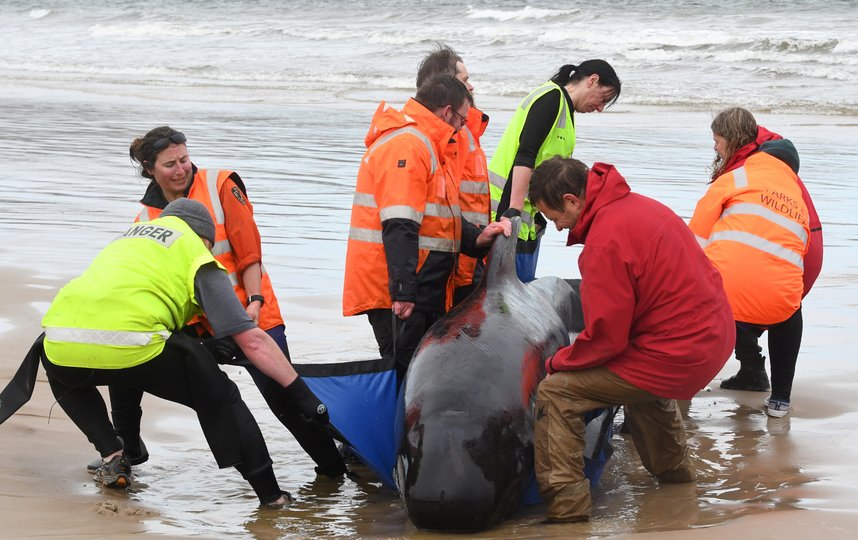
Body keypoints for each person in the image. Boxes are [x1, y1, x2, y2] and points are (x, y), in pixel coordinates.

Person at [92, 127, 346, 477]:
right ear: (150, 169)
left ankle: (333, 467)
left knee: (284, 397)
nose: (181, 169)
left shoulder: (221, 184)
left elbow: (248, 248)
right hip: (196, 328)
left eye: (184, 159)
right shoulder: (145, 218)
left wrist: (255, 300)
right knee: (128, 368)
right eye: (170, 165)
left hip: (250, 311)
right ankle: (126, 451)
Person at [40, 199, 329, 506]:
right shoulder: (196, 253)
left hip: (57, 340)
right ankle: (271, 496)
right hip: (134, 344)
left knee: (97, 363)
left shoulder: (127, 238)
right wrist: (302, 394)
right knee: (221, 394)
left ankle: (113, 453)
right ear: (206, 239)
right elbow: (252, 340)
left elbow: (125, 311)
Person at [528, 157, 735, 523]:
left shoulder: (604, 244)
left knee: (557, 393)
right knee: (634, 378)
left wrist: (557, 363)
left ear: (573, 200)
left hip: (678, 351)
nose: (558, 228)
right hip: (713, 338)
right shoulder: (641, 206)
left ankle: (567, 509)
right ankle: (676, 477)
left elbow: (606, 340)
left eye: (554, 216)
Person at [342, 76, 511, 384]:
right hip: (398, 289)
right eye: (462, 119)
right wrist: (403, 291)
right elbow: (400, 222)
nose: (462, 128)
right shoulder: (407, 145)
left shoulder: (428, 145)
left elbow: (437, 219)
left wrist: (477, 238)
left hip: (419, 284)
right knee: (405, 376)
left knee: (419, 375)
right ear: (447, 112)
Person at [690, 107, 817, 417]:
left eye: (717, 140)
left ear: (731, 141)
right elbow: (807, 244)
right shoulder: (794, 190)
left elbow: (694, 240)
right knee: (788, 304)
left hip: (726, 304)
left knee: (715, 285)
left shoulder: (735, 177)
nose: (715, 147)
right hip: (779, 301)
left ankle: (685, 385)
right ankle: (780, 399)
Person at [489, 60, 621, 282]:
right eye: (603, 99)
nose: (600, 108)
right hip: (505, 212)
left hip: (526, 216)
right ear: (592, 80)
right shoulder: (551, 99)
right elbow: (526, 154)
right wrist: (512, 211)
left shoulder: (565, 110)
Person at [416, 42, 491, 305]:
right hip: (453, 264)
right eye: (465, 80)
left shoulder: (467, 130)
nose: (471, 87)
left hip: (470, 255)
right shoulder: (448, 135)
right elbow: (442, 204)